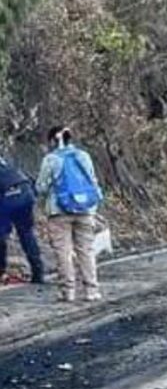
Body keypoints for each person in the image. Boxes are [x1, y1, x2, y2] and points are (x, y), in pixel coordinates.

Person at [37, 127, 103, 303]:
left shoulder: (51, 159)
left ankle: (68, 292)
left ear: (52, 141)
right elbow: (92, 180)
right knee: (86, 250)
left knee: (63, 252)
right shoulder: (83, 156)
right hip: (86, 210)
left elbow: (41, 187)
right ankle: (91, 291)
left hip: (59, 212)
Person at [0, 154, 45, 284]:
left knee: (1, 237)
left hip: (7, 198)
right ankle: (38, 273)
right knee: (26, 233)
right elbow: (31, 182)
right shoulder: (8, 164)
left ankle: (1, 271)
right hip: (26, 194)